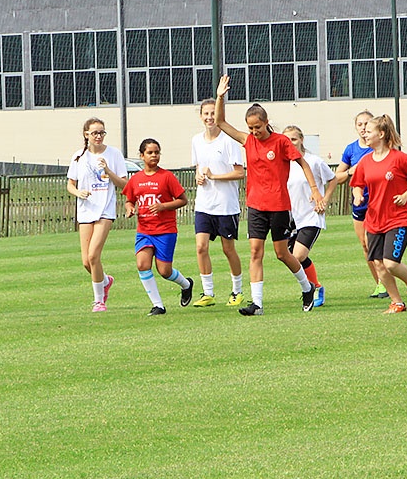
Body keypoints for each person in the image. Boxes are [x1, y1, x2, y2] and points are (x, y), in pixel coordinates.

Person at [214, 75, 325, 316]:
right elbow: (220, 122)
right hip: (256, 205)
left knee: (282, 253)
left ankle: (307, 288)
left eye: (258, 127)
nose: (254, 132)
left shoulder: (282, 142)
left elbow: (303, 164)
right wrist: (220, 96)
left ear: (266, 123)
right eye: (251, 128)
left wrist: (315, 190)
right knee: (255, 251)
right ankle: (257, 304)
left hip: (278, 206)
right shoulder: (248, 141)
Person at [350, 114, 407, 314]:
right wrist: (358, 196)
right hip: (374, 219)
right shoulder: (365, 162)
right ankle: (396, 302)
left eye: (369, 131)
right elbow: (357, 185)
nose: (365, 135)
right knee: (378, 264)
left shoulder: (400, 158)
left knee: (391, 263)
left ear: (381, 134)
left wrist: (406, 194)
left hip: (398, 218)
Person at [122, 138, 194, 316]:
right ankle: (158, 306)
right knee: (142, 264)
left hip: (165, 231)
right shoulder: (136, 180)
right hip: (144, 231)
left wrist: (163, 206)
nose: (154, 155)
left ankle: (186, 284)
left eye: (157, 152)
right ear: (142, 155)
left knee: (164, 271)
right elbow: (129, 200)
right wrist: (130, 208)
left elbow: (183, 200)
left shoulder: (167, 176)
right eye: (150, 152)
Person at [66, 117, 127, 312]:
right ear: (86, 135)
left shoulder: (114, 154)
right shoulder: (78, 157)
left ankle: (99, 301)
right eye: (94, 133)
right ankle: (105, 280)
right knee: (86, 261)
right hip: (85, 211)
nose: (98, 136)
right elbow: (70, 184)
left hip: (105, 210)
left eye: (102, 132)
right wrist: (78, 193)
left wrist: (108, 170)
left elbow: (125, 184)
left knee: (94, 255)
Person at [191, 98, 245, 308]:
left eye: (213, 113)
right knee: (201, 247)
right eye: (206, 113)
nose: (209, 117)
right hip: (204, 204)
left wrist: (215, 176)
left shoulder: (228, 140)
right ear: (201, 116)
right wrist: (199, 177)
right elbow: (199, 167)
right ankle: (208, 293)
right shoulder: (196, 140)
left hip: (226, 205)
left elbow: (240, 172)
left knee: (227, 249)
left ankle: (237, 291)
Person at [282, 125, 338, 309]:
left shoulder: (313, 161)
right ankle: (315, 285)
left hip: (311, 216)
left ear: (301, 140)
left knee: (298, 255)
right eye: (286, 140)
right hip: (291, 218)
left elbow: (333, 179)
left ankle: (313, 288)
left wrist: (324, 199)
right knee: (291, 257)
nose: (290, 143)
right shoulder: (284, 163)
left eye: (294, 139)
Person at [334, 110, 387, 298]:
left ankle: (386, 281)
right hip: (359, 202)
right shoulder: (351, 150)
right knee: (365, 245)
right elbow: (337, 177)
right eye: (360, 124)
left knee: (375, 243)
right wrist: (351, 172)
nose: (363, 128)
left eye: (366, 124)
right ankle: (380, 283)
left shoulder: (378, 147)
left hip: (378, 203)